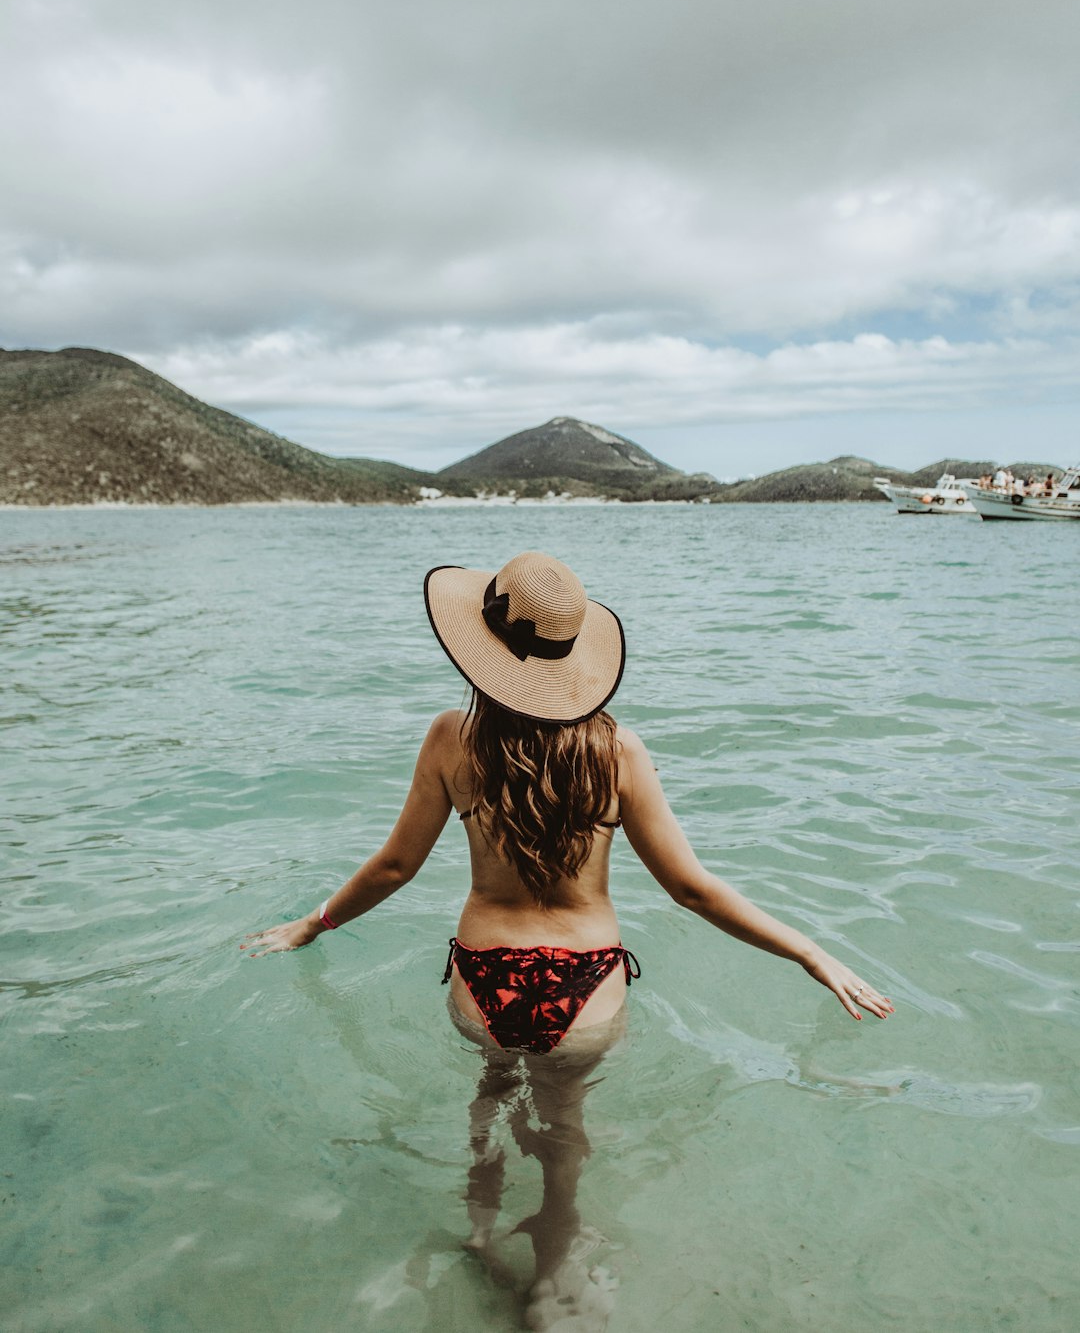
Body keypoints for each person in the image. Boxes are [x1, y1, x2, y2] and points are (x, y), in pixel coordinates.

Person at [242, 552, 893, 1323]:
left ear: (481, 650)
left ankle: (481, 1237)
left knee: (488, 1099)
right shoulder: (619, 751)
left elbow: (391, 869)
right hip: (585, 997)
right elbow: (693, 888)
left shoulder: (453, 739)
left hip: (482, 986)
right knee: (565, 1126)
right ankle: (552, 1275)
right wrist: (812, 952)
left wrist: (312, 926)